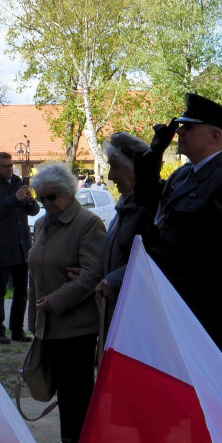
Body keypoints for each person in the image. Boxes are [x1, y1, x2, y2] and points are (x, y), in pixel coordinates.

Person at [135, 92, 222, 371]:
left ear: (214, 136)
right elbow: (145, 198)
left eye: (189, 127)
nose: (180, 133)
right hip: (176, 304)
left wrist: (220, 318)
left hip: (207, 312)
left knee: (215, 399)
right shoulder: (183, 175)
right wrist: (155, 152)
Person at [26, 162, 105, 443]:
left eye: (52, 197)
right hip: (48, 321)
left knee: (78, 387)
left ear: (69, 194)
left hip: (76, 324)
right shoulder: (42, 225)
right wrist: (35, 314)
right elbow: (35, 269)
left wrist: (54, 301)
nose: (46, 204)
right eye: (41, 197)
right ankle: (68, 439)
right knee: (61, 386)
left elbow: (91, 274)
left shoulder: (87, 223)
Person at [0, 152, 38, 344]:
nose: (9, 169)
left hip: (21, 245)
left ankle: (17, 329)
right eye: (5, 166)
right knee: (0, 289)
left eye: (11, 165)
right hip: (2, 246)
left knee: (22, 290)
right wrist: (15, 198)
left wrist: (29, 200)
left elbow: (34, 211)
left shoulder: (17, 182)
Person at [94, 133, 150, 321]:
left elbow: (154, 260)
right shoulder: (123, 205)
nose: (110, 176)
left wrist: (114, 279)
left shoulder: (151, 207)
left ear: (137, 167)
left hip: (138, 318)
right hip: (118, 313)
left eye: (115, 166)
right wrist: (95, 272)